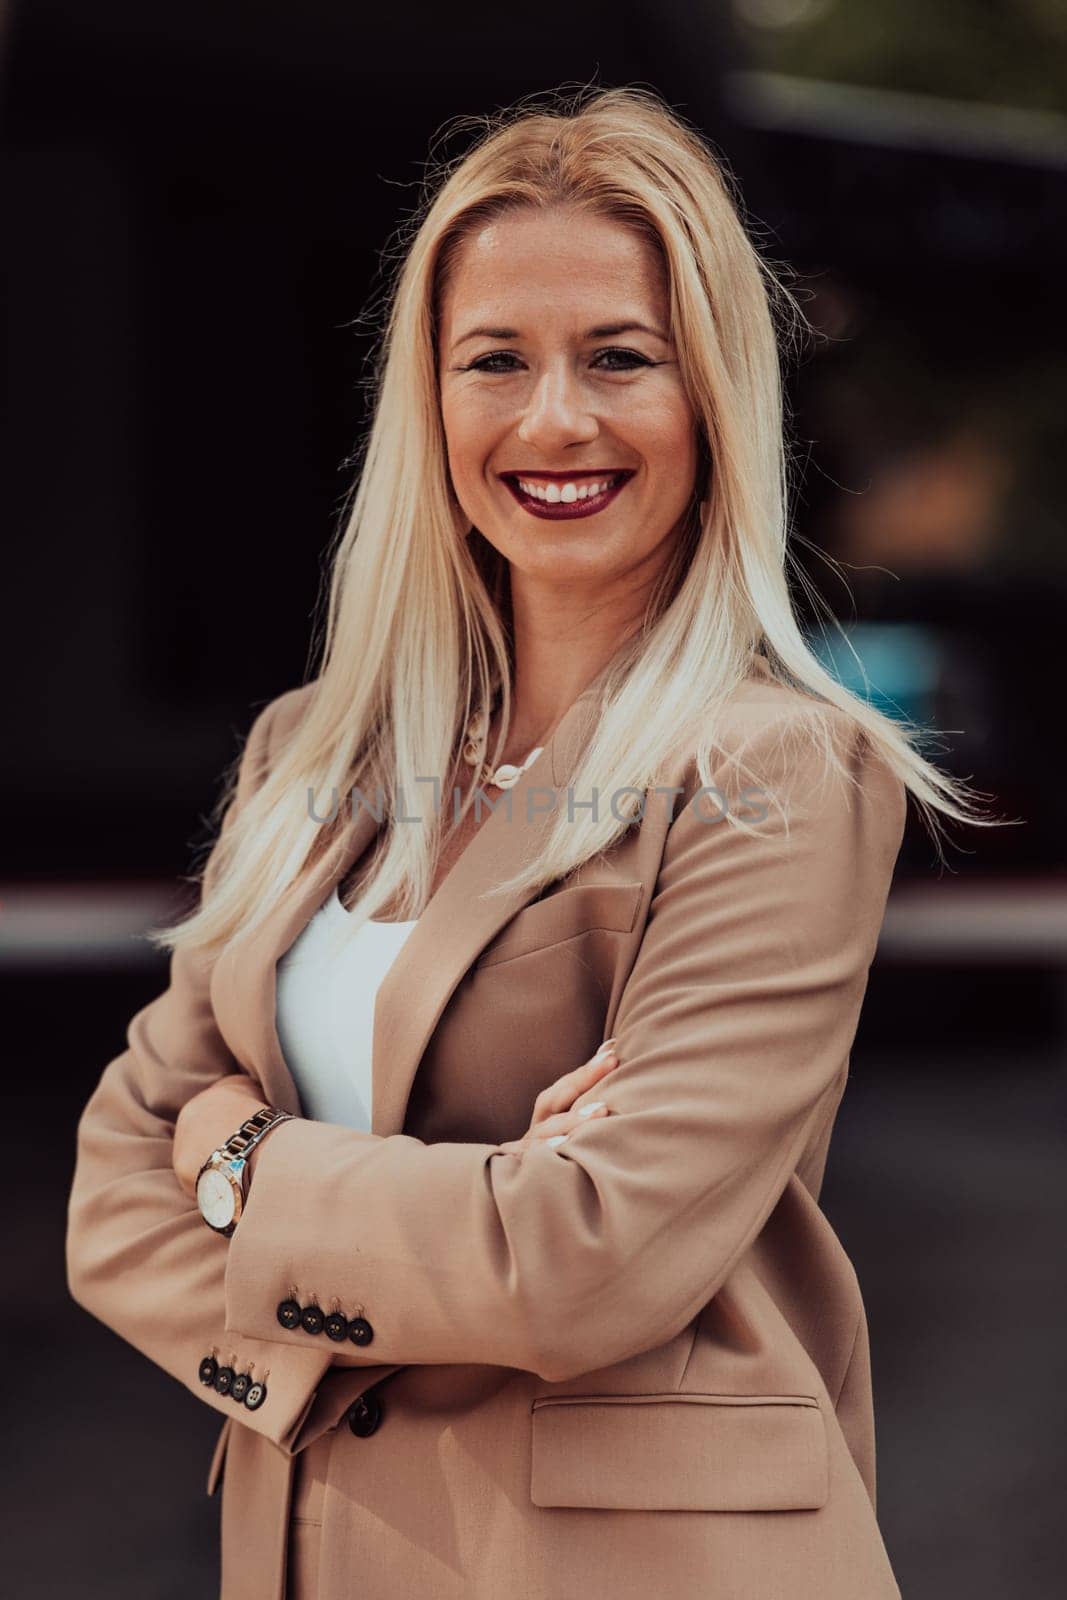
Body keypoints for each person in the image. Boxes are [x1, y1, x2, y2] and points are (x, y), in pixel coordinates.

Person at [66, 83, 995, 1600]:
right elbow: (112, 1191)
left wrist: (241, 1162)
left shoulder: (781, 773)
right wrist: (350, 1327)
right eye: (495, 359)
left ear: (711, 397)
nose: (554, 419)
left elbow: (588, 1257)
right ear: (427, 402)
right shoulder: (308, 753)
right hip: (306, 1548)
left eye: (620, 359)